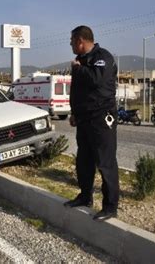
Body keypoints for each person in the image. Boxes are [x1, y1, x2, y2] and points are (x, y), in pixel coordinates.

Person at [64, 25, 120, 221]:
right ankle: (85, 196)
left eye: (72, 41)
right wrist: (74, 112)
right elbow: (78, 91)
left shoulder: (102, 57)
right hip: (84, 118)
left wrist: (78, 70)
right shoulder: (81, 61)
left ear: (80, 41)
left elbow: (96, 80)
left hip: (101, 118)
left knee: (105, 162)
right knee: (84, 161)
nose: (70, 44)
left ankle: (111, 206)